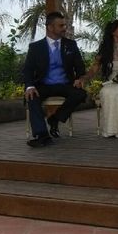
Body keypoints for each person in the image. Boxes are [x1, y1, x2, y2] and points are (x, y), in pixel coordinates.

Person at [23, 11, 87, 147]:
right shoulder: (35, 47)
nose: (64, 28)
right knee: (32, 96)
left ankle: (55, 119)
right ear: (50, 27)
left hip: (65, 84)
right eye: (61, 25)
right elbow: (27, 69)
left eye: (64, 25)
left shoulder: (70, 45)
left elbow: (80, 66)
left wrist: (79, 78)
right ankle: (42, 135)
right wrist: (29, 86)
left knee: (80, 93)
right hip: (44, 85)